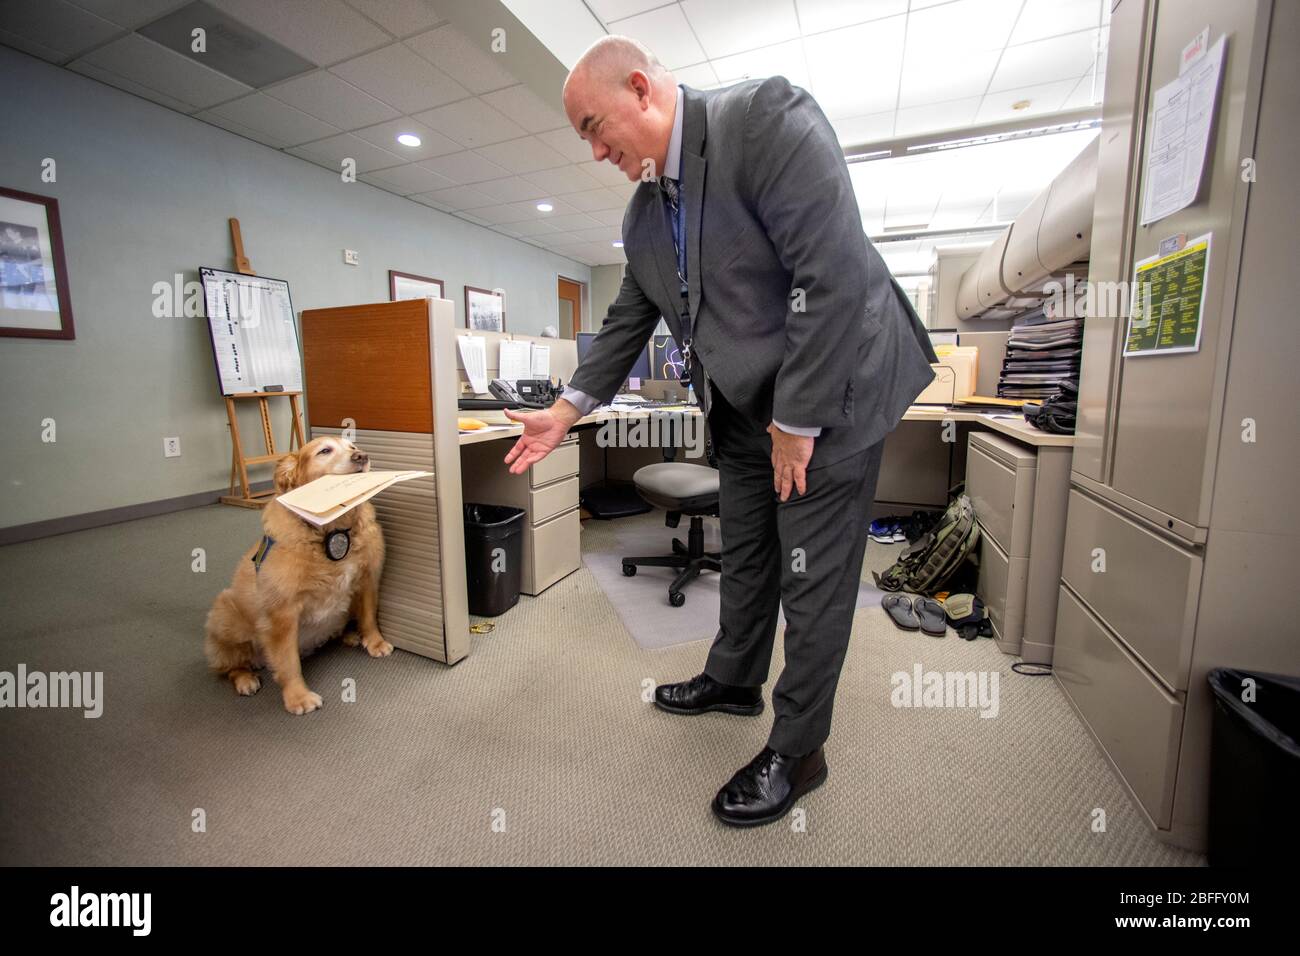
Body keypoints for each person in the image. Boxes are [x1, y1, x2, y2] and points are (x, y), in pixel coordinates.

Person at [503, 36, 938, 827]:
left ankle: (801, 747)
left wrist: (797, 422)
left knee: (811, 577)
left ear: (642, 88)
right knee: (748, 551)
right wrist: (564, 410)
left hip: (834, 386)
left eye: (596, 127)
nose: (597, 151)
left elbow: (831, 275)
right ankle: (735, 680)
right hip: (742, 403)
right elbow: (627, 322)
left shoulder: (763, 118)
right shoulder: (643, 217)